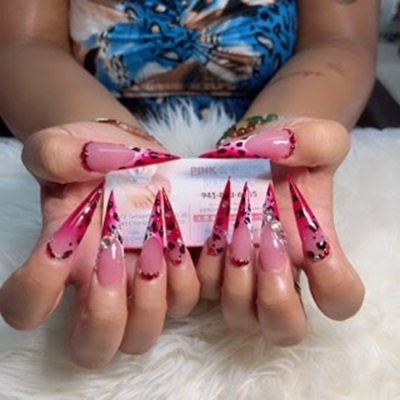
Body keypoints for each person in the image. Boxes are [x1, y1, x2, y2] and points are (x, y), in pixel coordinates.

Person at [0, 0, 378, 369]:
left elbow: (339, 40)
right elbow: (24, 43)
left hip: (284, 124)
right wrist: (99, 142)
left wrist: (275, 138)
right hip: (73, 119)